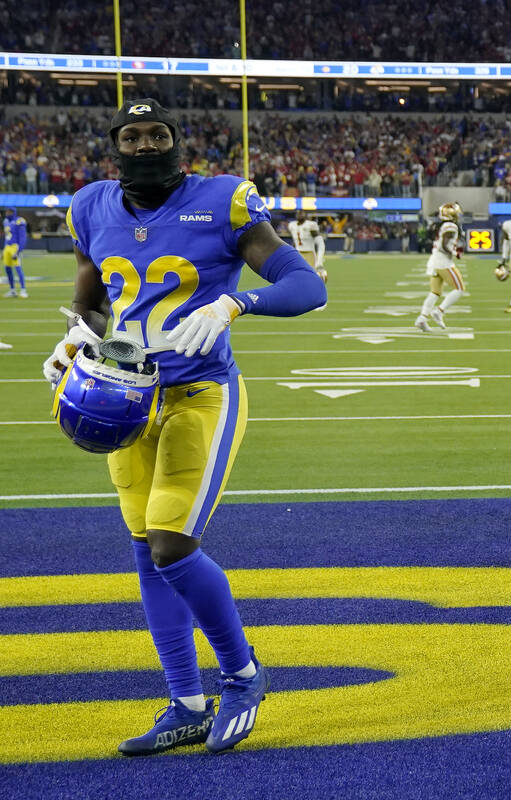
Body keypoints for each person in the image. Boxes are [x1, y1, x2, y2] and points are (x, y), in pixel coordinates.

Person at [40, 99, 327, 755]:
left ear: (179, 141)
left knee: (172, 545)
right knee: (146, 551)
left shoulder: (222, 200)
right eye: (132, 135)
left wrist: (236, 301)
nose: (146, 145)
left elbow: (307, 286)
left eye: (158, 133)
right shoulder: (89, 206)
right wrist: (73, 342)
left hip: (201, 395)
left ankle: (243, 675)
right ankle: (185, 703)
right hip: (128, 399)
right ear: (114, 145)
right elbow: (93, 305)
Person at [415, 202, 466, 331]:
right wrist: (456, 253)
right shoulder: (450, 226)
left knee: (435, 292)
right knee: (459, 288)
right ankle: (439, 311)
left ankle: (422, 318)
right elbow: (444, 246)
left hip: (435, 260)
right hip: (443, 261)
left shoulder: (442, 225)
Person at [287, 210, 326, 282]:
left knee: (310, 277)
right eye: (298, 213)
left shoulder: (311, 225)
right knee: (296, 276)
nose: (299, 215)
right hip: (298, 253)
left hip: (310, 254)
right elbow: (295, 241)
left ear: (306, 215)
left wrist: (319, 261)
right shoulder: (292, 225)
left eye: (301, 213)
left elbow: (320, 243)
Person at [3, 207, 28, 297]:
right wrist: (4, 249)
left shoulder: (19, 221)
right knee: (7, 269)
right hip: (7, 247)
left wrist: (18, 250)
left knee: (18, 268)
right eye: (6, 211)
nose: (7, 213)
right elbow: (7, 236)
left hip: (15, 247)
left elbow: (22, 237)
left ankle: (23, 290)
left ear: (14, 212)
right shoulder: (5, 221)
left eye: (9, 211)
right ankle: (12, 290)